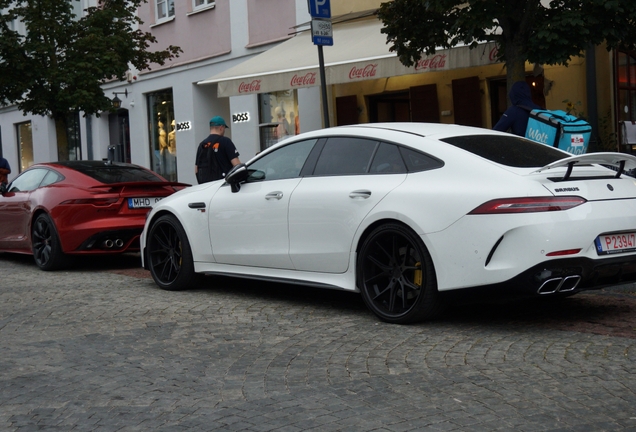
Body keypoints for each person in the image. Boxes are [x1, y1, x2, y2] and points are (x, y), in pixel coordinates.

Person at [195, 116, 241, 184]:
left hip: (206, 187)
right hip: (224, 185)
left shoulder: (202, 145)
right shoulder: (225, 141)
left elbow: (196, 170)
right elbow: (237, 165)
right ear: (221, 128)